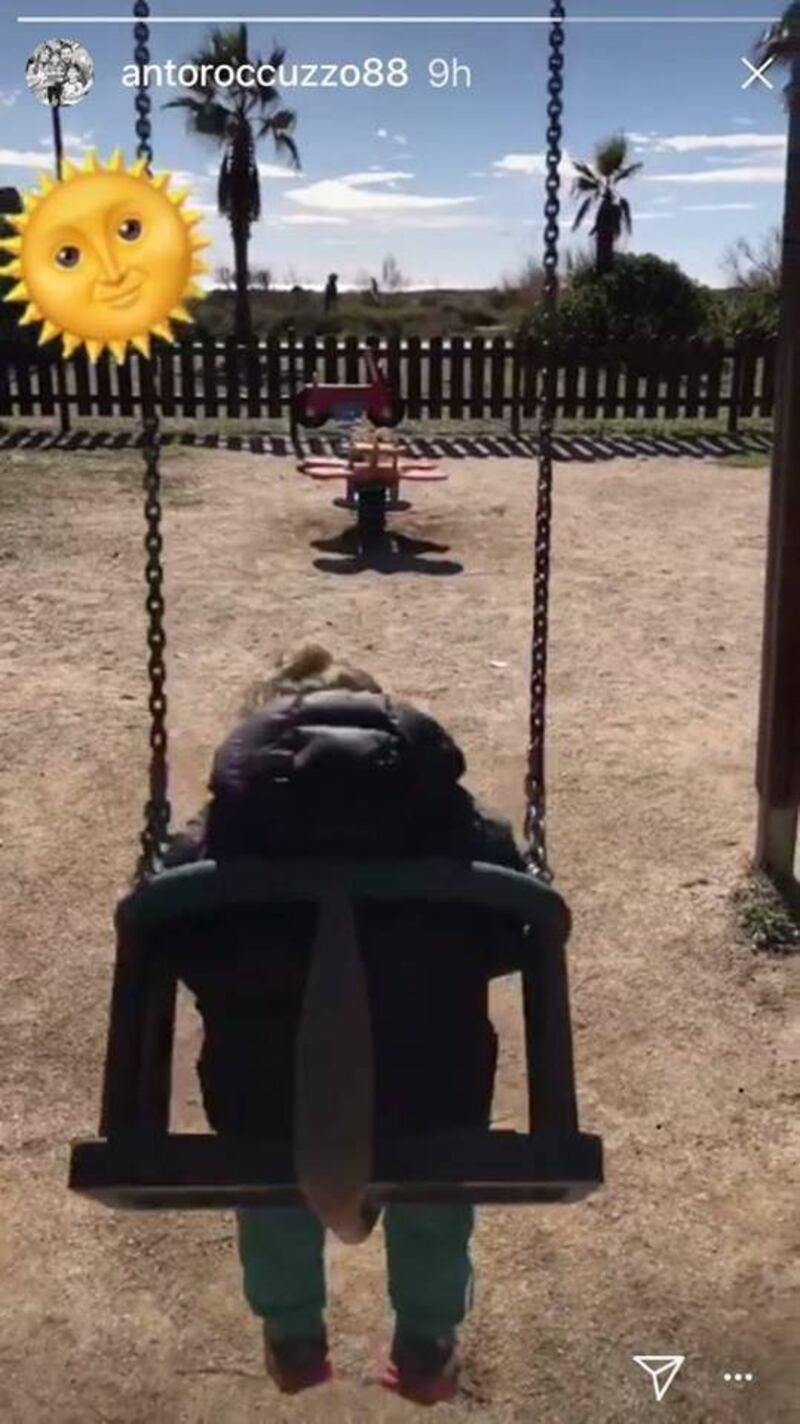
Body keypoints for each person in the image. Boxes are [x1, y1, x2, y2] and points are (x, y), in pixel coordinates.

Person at [164, 645, 528, 1405]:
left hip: (267, 1102)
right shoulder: (449, 822)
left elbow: (178, 942)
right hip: (435, 1093)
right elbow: (507, 934)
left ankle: (291, 1332)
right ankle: (427, 1339)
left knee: (273, 1184)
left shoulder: (219, 837)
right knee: (433, 1189)